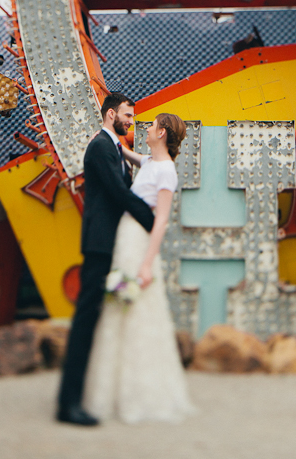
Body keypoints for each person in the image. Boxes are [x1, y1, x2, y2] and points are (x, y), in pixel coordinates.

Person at [82, 112, 197, 424]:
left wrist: (148, 263)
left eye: (152, 125)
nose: (145, 129)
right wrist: (106, 135)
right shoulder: (148, 163)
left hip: (139, 245)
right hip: (125, 240)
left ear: (161, 133)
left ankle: (139, 391)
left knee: (136, 308)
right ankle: (115, 389)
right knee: (118, 307)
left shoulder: (166, 172)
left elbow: (161, 220)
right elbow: (122, 152)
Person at [56, 93, 155, 427]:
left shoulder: (111, 146)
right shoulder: (100, 147)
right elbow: (118, 193)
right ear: (111, 114)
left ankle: (85, 394)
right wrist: (153, 222)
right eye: (128, 115)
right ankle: (68, 404)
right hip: (99, 245)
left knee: (100, 318)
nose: (132, 120)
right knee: (86, 321)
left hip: (110, 244)